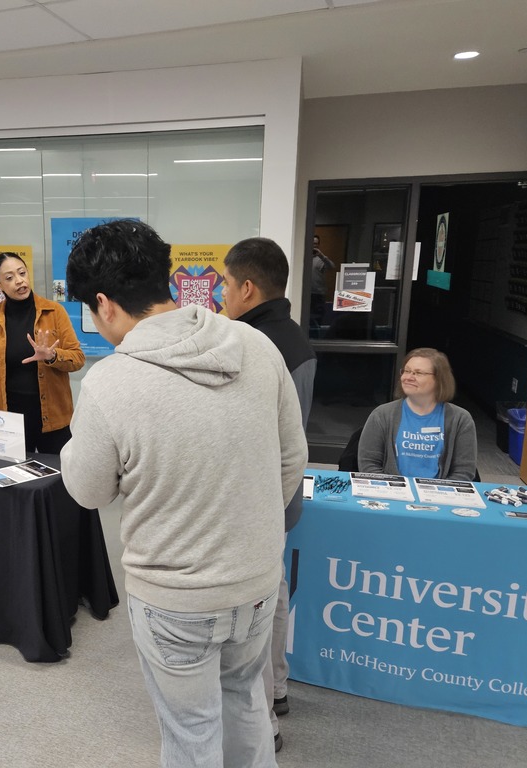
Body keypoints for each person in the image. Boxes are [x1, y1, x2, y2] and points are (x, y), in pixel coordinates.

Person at [60, 220, 308, 768]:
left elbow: (89, 490)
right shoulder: (256, 346)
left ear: (104, 303)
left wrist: (71, 451)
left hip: (175, 596)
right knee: (246, 704)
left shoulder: (109, 382)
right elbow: (292, 459)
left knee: (190, 732)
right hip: (257, 579)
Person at [222, 236, 313, 752]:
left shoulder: (251, 346)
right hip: (280, 496)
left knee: (250, 615)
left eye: (226, 285)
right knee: (273, 595)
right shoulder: (294, 336)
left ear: (248, 287)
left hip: (257, 498)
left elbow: (269, 441)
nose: (221, 295)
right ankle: (277, 689)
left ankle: (264, 725)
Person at [0, 252, 84, 454]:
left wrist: (52, 356)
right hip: (7, 422)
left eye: (22, 273)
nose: (19, 281)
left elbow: (77, 359)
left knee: (60, 480)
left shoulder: (54, 312)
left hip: (54, 420)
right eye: (9, 278)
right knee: (9, 480)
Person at [357, 347, 477, 480]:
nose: (408, 377)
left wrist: (435, 495)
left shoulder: (460, 419)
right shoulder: (382, 414)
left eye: (418, 373)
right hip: (393, 493)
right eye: (406, 371)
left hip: (439, 495)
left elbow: (464, 471)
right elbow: (368, 464)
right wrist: (396, 490)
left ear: (439, 379)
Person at [310, 234, 334, 329]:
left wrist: (322, 255)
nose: (314, 246)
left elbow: (331, 266)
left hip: (318, 295)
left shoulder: (321, 260)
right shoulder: (303, 257)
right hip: (306, 295)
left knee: (317, 320)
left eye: (316, 244)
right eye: (312, 243)